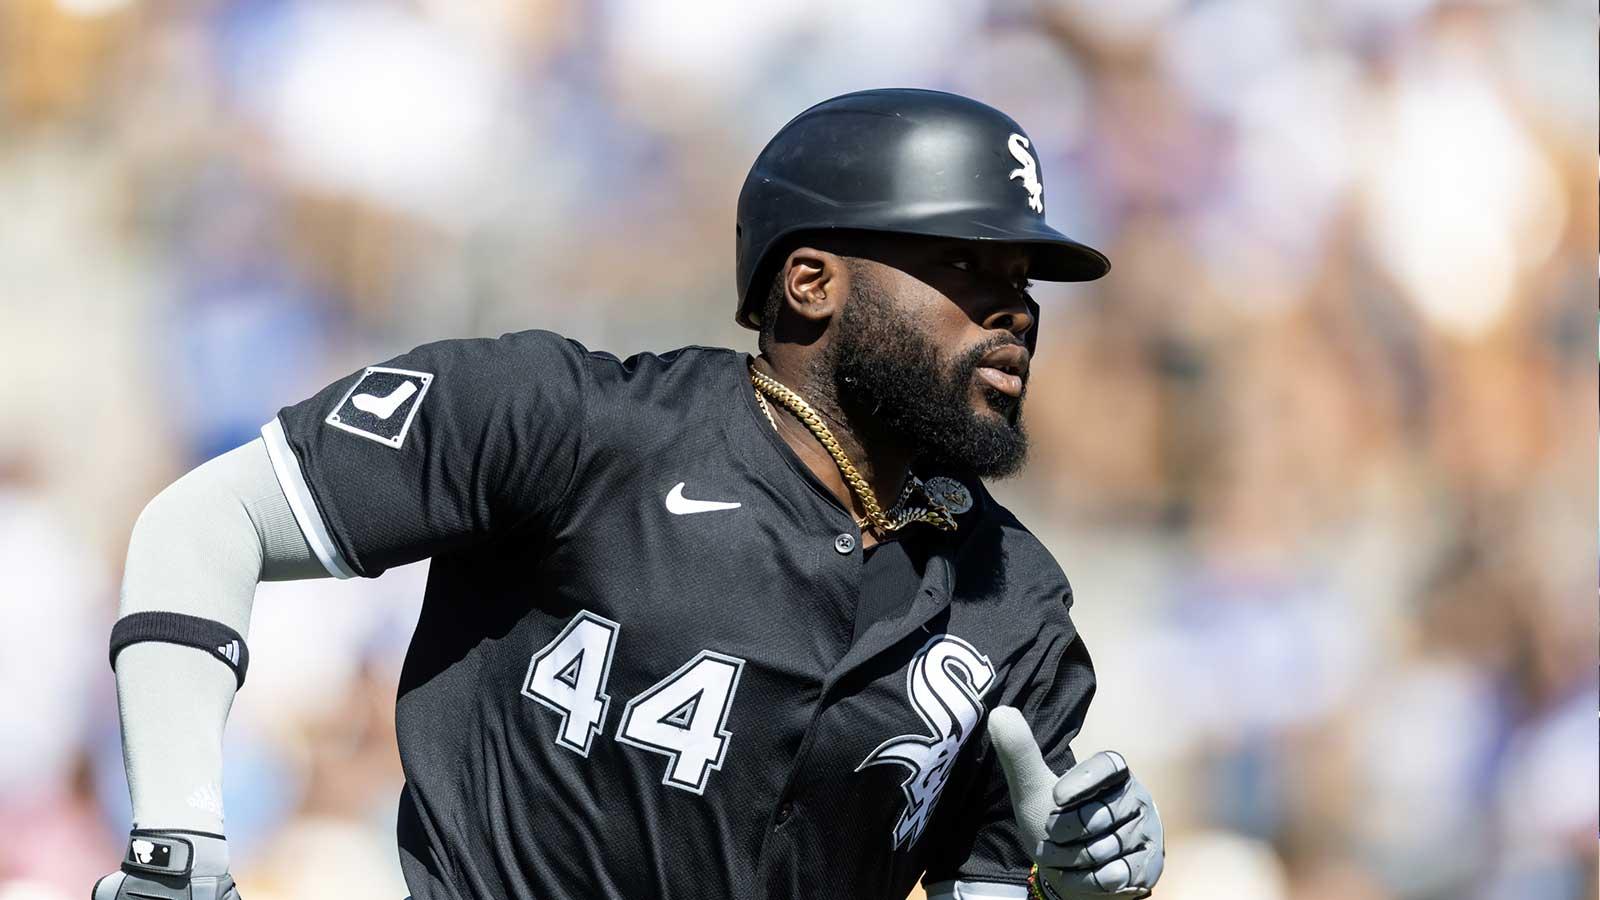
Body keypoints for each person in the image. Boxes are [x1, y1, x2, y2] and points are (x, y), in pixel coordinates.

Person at [95, 88, 1165, 900]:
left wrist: (1057, 889)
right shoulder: (568, 424)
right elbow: (205, 522)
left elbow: (990, 883)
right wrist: (180, 837)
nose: (1013, 308)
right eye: (967, 265)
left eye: (1023, 280)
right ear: (810, 281)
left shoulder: (1013, 599)